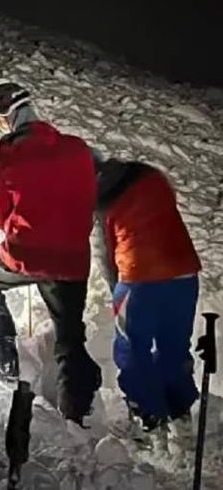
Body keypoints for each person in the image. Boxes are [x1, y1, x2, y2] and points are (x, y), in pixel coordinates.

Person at [0, 82, 102, 424]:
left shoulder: (3, 158)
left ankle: (6, 357)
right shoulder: (78, 149)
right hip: (73, 259)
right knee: (69, 334)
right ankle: (75, 413)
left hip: (25, 255)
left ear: (6, 117)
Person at [95, 158, 201, 431]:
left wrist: (116, 290)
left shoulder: (103, 201)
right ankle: (179, 408)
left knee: (132, 348)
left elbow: (105, 253)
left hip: (139, 278)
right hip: (183, 272)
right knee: (175, 344)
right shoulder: (151, 175)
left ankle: (147, 412)